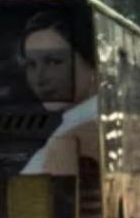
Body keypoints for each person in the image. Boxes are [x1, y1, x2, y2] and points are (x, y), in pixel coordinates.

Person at [19, 12, 99, 176]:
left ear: (93, 64)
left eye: (53, 62)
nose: (40, 78)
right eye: (31, 64)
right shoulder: (76, 124)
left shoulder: (77, 135)